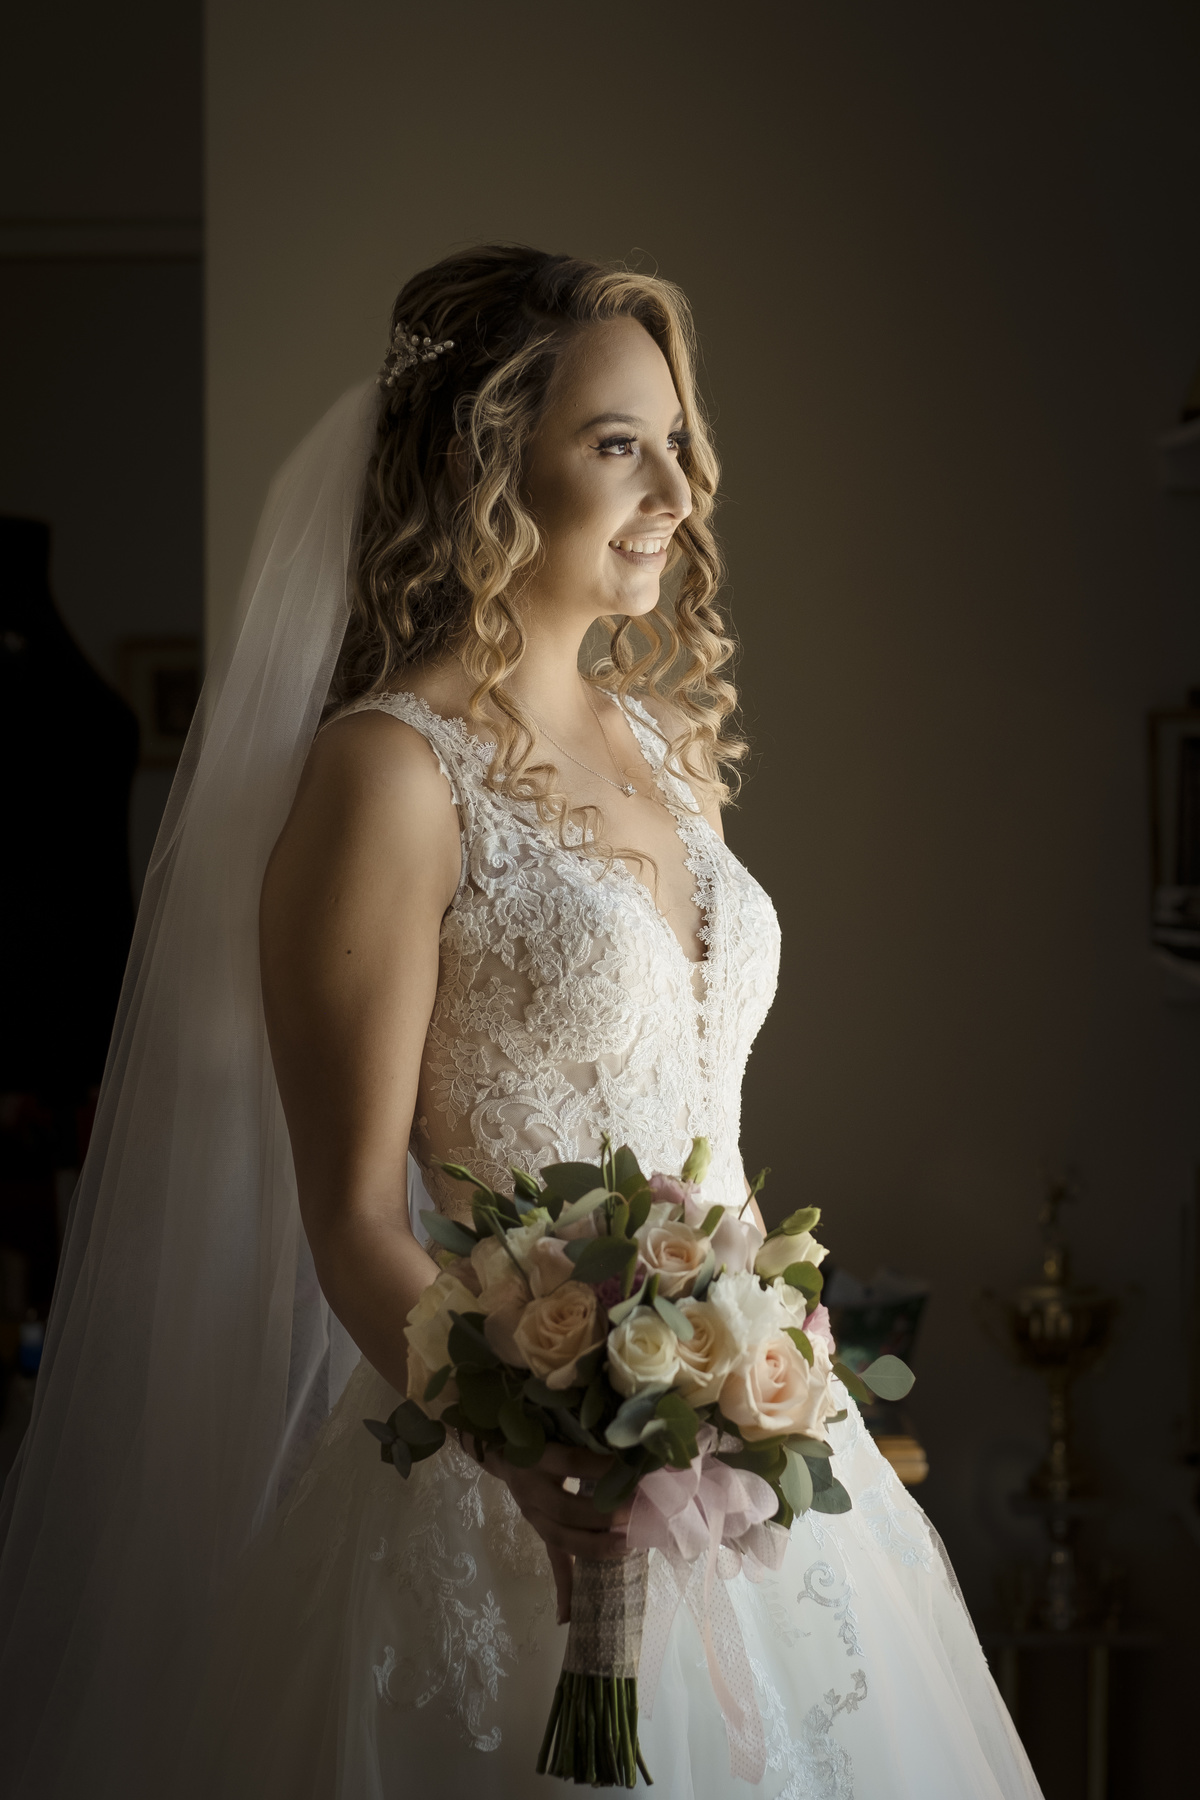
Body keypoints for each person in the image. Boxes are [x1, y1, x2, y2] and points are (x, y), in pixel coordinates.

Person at [0, 246, 1042, 1800]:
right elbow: (353, 1213)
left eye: (678, 441)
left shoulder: (668, 744)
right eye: (620, 442)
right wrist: (531, 1453)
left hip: (750, 1472)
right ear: (492, 464)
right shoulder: (389, 775)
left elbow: (709, 1136)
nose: (678, 487)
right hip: (499, 1485)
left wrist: (774, 1370)